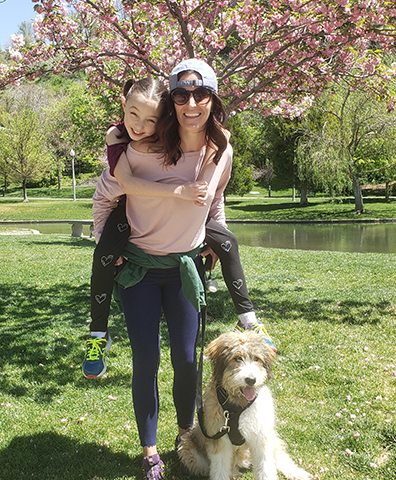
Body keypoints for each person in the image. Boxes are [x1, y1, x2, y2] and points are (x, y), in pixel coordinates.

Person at [91, 58, 233, 480]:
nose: (191, 104)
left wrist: (217, 235)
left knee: (187, 360)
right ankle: (150, 454)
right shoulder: (131, 152)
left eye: (200, 95)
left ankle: (186, 436)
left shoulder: (215, 150)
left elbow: (216, 200)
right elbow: (104, 196)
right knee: (147, 363)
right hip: (139, 273)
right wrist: (104, 246)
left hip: (184, 272)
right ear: (173, 102)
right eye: (181, 96)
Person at [83, 74, 274, 380]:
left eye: (150, 120)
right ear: (124, 106)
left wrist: (216, 231)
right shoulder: (120, 141)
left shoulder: (205, 145)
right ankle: (97, 334)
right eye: (133, 115)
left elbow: (215, 195)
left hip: (190, 223)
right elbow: (115, 190)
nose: (140, 126)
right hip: (127, 214)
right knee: (103, 255)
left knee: (228, 242)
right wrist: (102, 235)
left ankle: (248, 319)